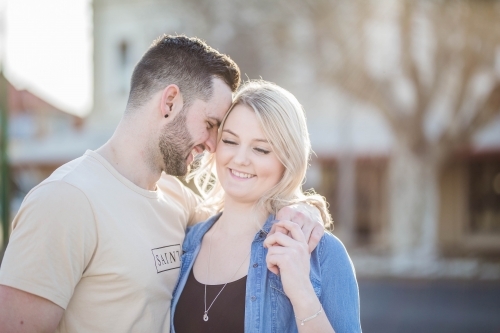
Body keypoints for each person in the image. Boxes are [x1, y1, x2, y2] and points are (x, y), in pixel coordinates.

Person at [0, 36, 325, 333]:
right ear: (170, 102)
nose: (214, 146)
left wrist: (301, 208)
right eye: (211, 124)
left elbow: (247, 218)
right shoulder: (64, 200)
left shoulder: (177, 200)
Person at [171, 80, 362, 333]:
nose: (240, 159)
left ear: (287, 160)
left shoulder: (321, 253)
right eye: (230, 141)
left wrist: (302, 293)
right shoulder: (185, 243)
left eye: (261, 149)